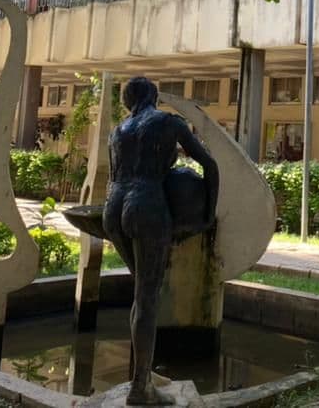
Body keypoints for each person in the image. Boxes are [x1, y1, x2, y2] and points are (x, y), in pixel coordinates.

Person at [102, 77, 218, 405]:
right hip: (146, 204)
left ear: (127, 102)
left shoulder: (118, 131)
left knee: (142, 295)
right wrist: (208, 212)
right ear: (154, 96)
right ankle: (141, 388)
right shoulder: (168, 122)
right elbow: (209, 164)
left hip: (114, 209)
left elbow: (114, 175)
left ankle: (141, 376)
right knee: (147, 298)